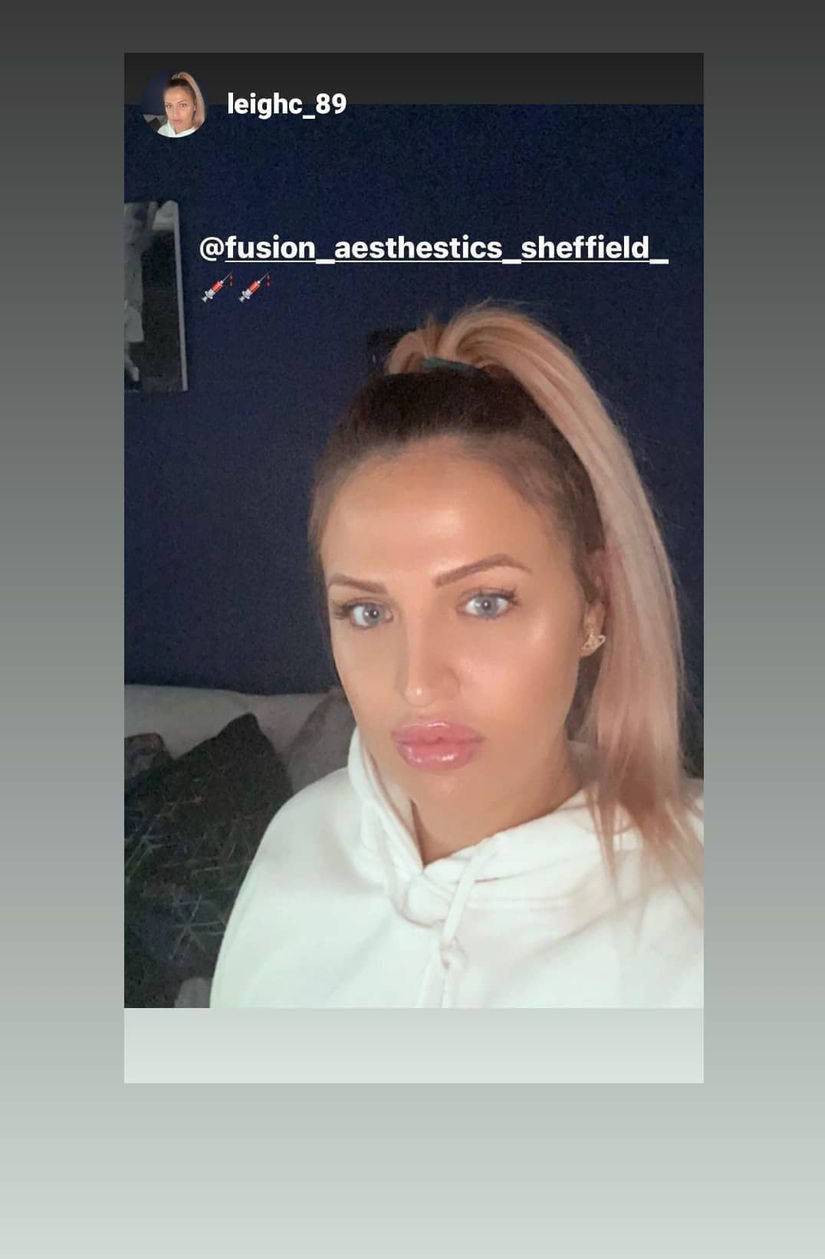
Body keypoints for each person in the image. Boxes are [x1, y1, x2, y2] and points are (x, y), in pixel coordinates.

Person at [210, 304, 703, 1008]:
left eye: (485, 603)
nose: (417, 684)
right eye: (368, 612)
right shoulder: (300, 844)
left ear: (595, 601)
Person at [155, 71, 205, 138]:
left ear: (195, 105)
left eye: (182, 105)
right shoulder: (162, 131)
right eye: (169, 106)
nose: (175, 114)